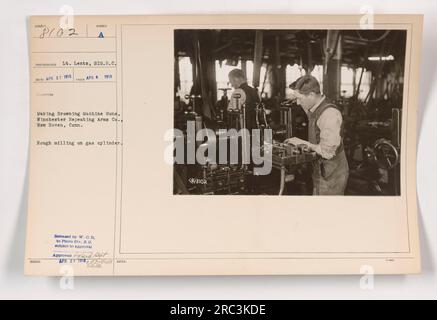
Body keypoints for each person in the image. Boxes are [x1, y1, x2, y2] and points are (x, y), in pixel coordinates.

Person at [285, 75, 349, 195]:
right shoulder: (314, 106)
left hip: (331, 175)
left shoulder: (329, 114)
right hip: (321, 170)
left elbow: (327, 152)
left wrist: (303, 143)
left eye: (300, 99)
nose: (298, 103)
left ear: (312, 95)